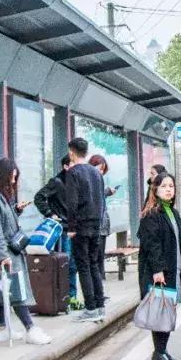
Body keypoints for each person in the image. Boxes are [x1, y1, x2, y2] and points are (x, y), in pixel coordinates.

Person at [0, 158, 53, 346]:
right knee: (15, 289)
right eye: (11, 177)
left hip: (2, 251)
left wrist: (15, 211)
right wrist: (3, 256)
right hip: (2, 252)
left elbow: (0, 221)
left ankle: (2, 329)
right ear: (3, 175)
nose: (13, 181)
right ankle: (30, 329)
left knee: (1, 288)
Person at [136, 172, 181, 360]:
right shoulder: (151, 214)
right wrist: (157, 269)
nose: (168, 189)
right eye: (164, 186)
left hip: (173, 269)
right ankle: (158, 353)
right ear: (155, 189)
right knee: (160, 310)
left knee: (168, 309)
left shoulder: (172, 212)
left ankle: (162, 350)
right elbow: (152, 245)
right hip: (160, 271)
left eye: (171, 186)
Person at [64, 138, 108, 322]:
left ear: (71, 152)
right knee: (93, 264)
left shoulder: (73, 173)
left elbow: (72, 202)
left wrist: (71, 227)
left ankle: (90, 307)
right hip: (96, 225)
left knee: (83, 266)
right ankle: (100, 305)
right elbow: (101, 200)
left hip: (81, 226)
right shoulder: (96, 173)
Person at [35, 155, 78, 304]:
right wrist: (50, 214)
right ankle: (63, 298)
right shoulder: (56, 182)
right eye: (74, 164)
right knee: (65, 263)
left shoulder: (75, 182)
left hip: (74, 229)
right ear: (66, 166)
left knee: (73, 265)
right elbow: (39, 197)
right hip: (63, 230)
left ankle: (72, 297)